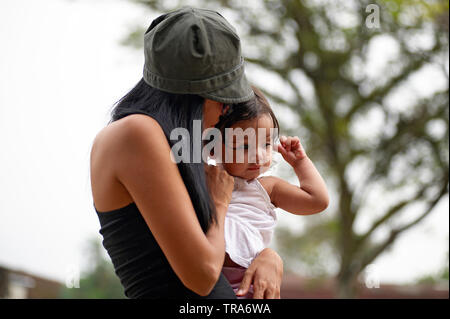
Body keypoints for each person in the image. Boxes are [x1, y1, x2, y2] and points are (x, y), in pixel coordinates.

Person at [90, 6, 283, 299]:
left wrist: (268, 257)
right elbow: (203, 275)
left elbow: (213, 249)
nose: (224, 113)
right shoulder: (135, 134)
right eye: (222, 101)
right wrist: (219, 201)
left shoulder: (169, 143)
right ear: (190, 97)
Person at [209, 86, 330, 299]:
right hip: (206, 276)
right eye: (244, 146)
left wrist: (301, 163)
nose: (257, 155)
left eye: (265, 144)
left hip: (252, 281)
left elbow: (317, 201)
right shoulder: (206, 178)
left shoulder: (267, 187)